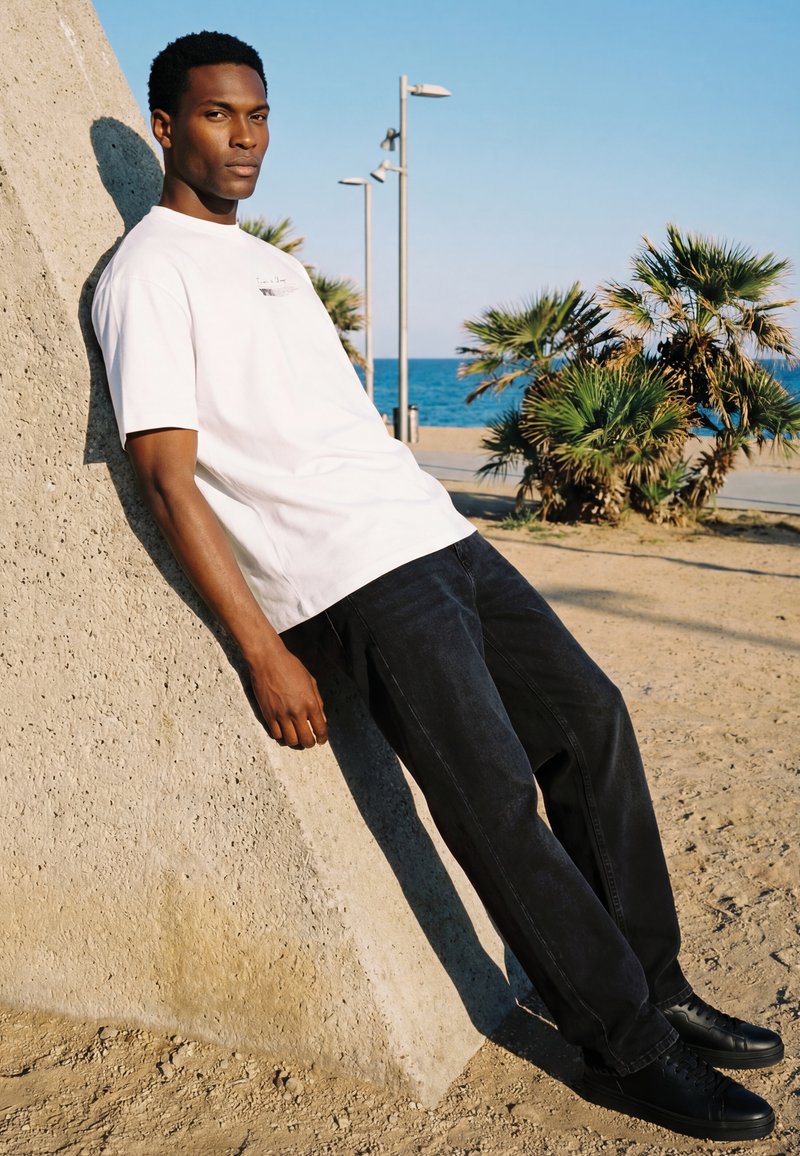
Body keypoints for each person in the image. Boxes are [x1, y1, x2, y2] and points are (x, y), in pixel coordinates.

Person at [91, 31, 784, 1143]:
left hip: (433, 533)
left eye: (258, 115)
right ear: (166, 127)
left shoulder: (268, 263)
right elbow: (169, 482)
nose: (245, 138)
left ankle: (657, 986)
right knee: (493, 799)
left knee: (591, 722)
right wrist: (264, 649)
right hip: (349, 580)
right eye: (218, 116)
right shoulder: (145, 275)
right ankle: (628, 1045)